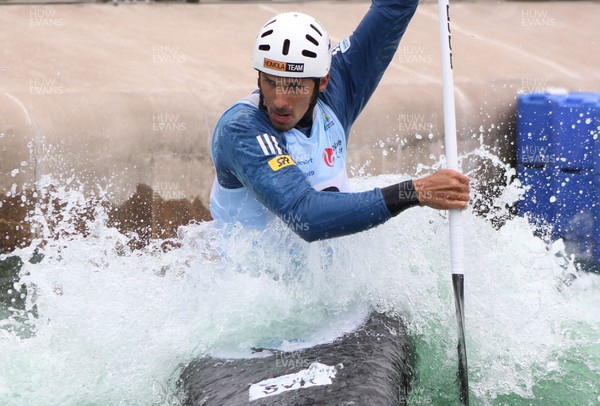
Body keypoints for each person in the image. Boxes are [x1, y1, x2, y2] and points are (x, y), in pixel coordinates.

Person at [209, 0, 470, 243]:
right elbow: (305, 216)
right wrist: (413, 192)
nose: (279, 100)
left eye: (294, 86)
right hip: (256, 288)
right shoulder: (241, 129)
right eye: (270, 81)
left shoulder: (339, 87)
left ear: (323, 81)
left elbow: (393, 8)